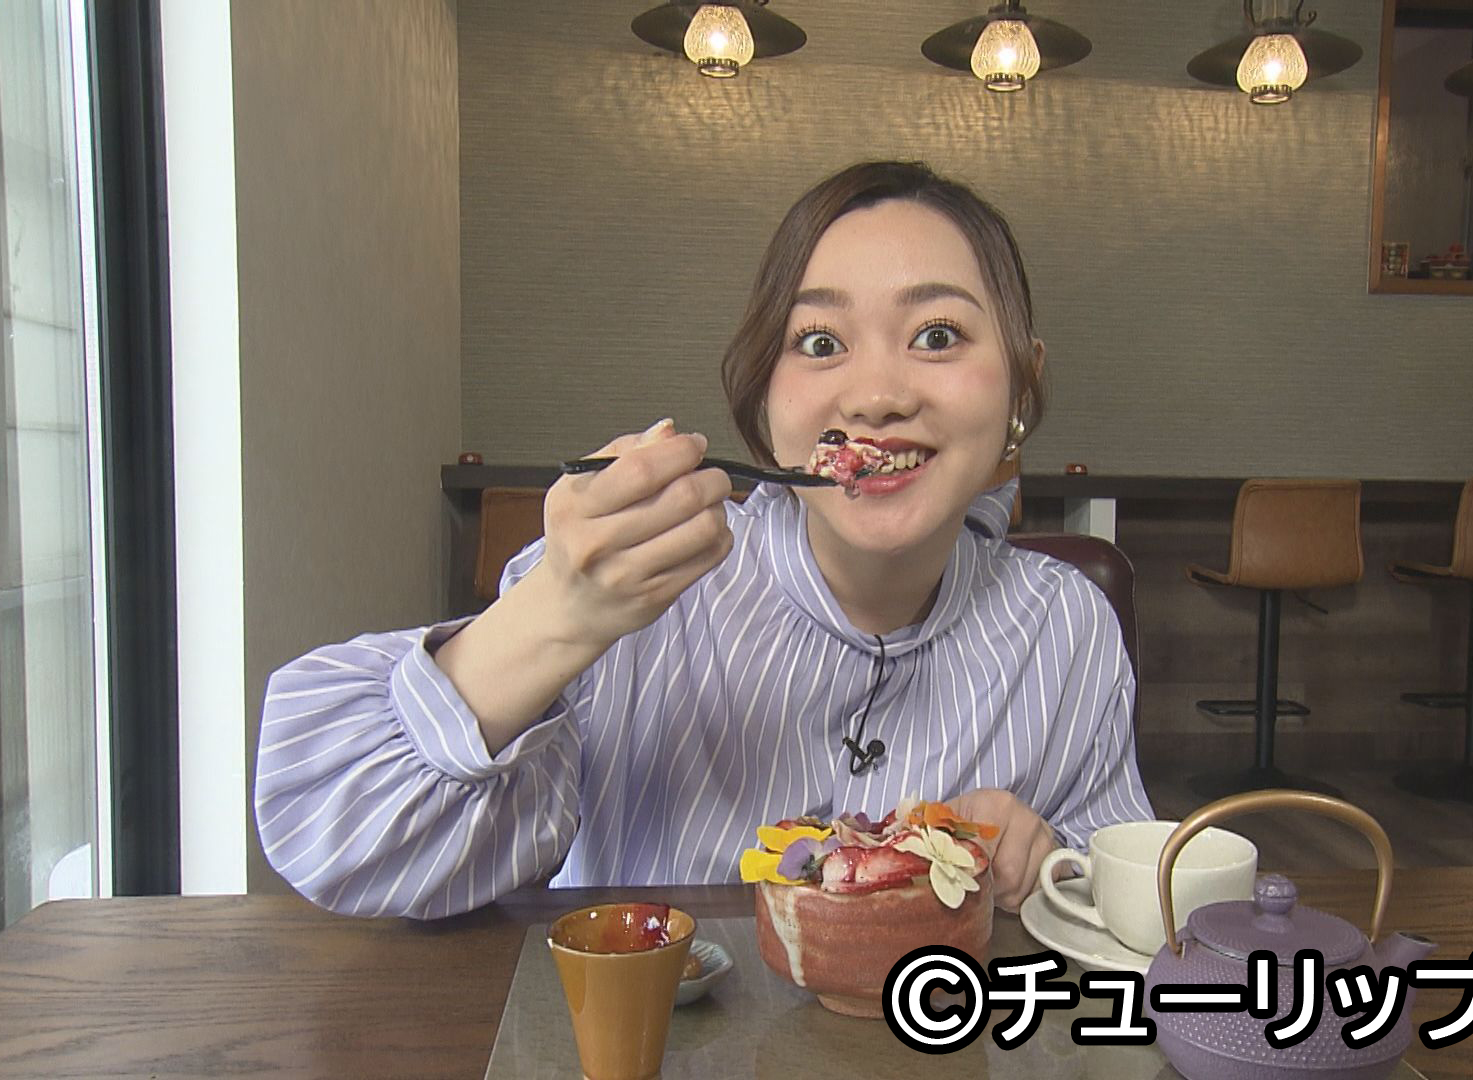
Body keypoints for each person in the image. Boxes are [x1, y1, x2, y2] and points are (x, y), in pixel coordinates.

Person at [255, 161, 1154, 919]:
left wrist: (1043, 864)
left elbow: (1125, 899)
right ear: (763, 402)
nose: (877, 395)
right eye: (819, 342)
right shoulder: (636, 580)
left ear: (1021, 387)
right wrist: (559, 614)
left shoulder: (1066, 628)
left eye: (937, 334)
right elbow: (333, 843)